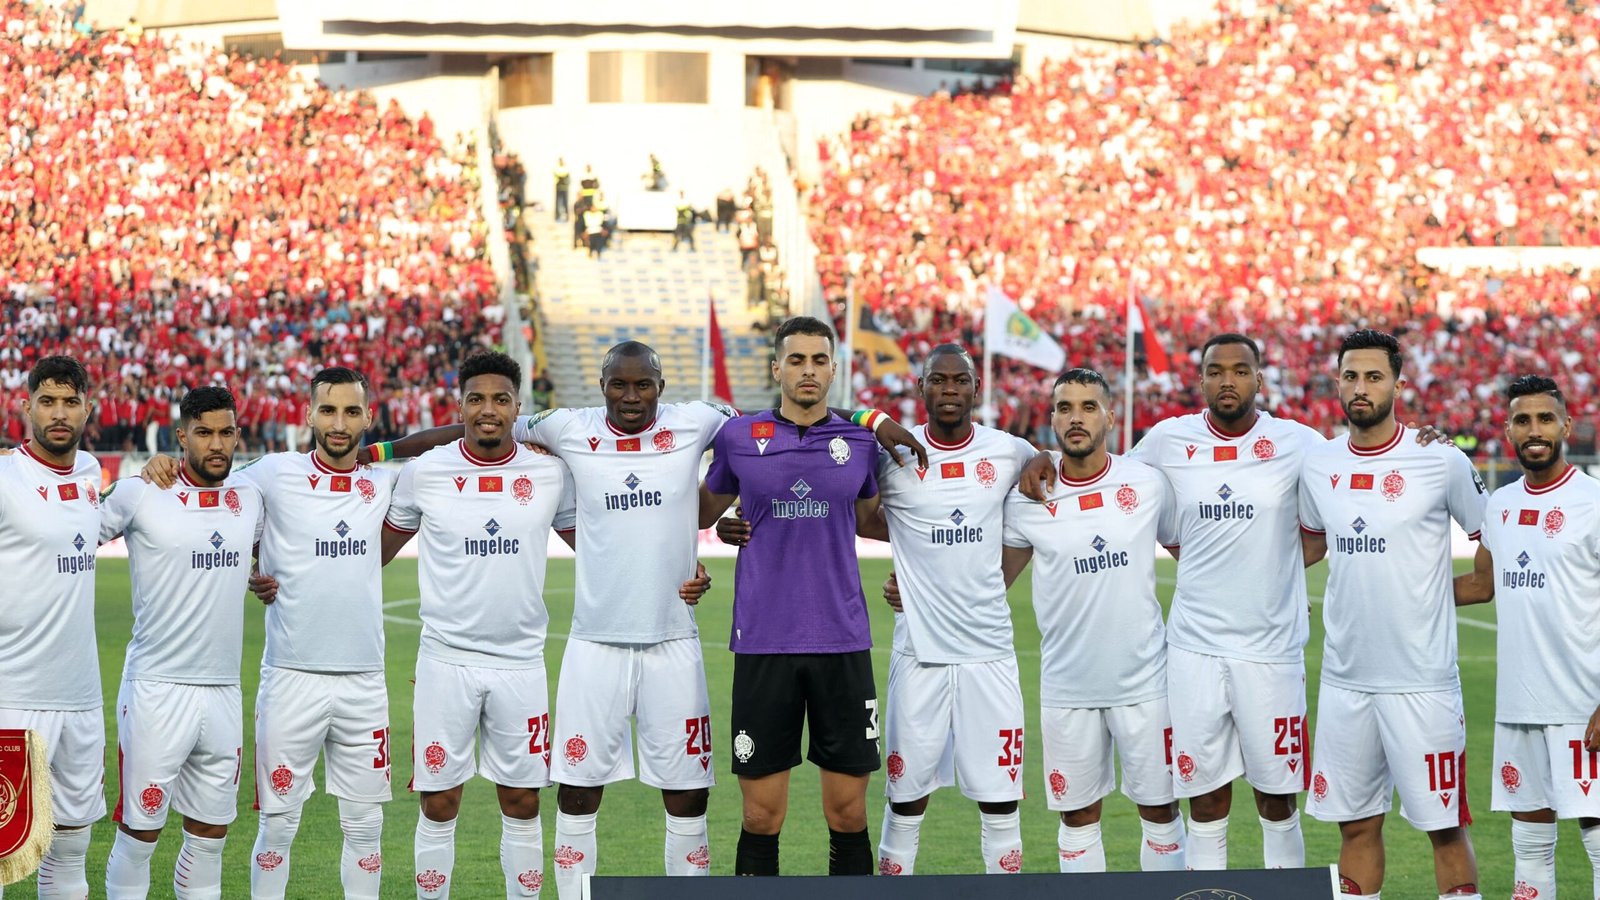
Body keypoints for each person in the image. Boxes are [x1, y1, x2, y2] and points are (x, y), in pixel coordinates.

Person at [372, 339, 924, 892]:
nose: (630, 396)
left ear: (661, 387)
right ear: (603, 386)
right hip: (594, 645)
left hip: (673, 642)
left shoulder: (700, 421)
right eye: (618, 384)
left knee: (687, 795)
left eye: (642, 385)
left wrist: (869, 417)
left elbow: (790, 413)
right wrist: (381, 452)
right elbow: (472, 430)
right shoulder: (566, 427)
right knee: (577, 792)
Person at [146, 367, 395, 899]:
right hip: (290, 678)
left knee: (366, 828)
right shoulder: (270, 474)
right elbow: (211, 493)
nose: (338, 423)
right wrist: (161, 464)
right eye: (328, 410)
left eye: (352, 411)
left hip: (365, 682)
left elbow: (440, 448)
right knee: (278, 826)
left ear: (368, 418)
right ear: (308, 414)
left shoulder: (387, 479)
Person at [1115, 333, 1323, 869]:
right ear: (1200, 378)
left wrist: (1270, 565)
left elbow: (1339, 503)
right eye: (1214, 370)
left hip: (1271, 651)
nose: (1226, 380)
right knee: (1204, 797)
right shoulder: (1166, 440)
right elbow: (1121, 489)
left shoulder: (1299, 441)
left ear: (1259, 378)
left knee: (1277, 797)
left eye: (1239, 369)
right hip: (1194, 649)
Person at [380, 351, 578, 899]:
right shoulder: (426, 472)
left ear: (518, 406)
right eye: (476, 399)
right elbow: (372, 553)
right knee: (439, 800)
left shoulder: (549, 471)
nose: (487, 410)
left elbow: (598, 546)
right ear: (459, 405)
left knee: (521, 801)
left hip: (521, 663)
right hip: (446, 661)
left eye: (499, 399)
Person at [1299, 329, 1486, 900]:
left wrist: (1432, 591)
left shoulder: (1440, 459)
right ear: (1337, 382)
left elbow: (1492, 547)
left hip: (1422, 682)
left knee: (1445, 828)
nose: (1361, 387)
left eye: (1374, 376)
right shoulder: (1319, 463)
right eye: (1351, 376)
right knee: (1355, 825)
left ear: (1399, 385)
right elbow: (1307, 549)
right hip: (1345, 681)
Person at [699, 316, 886, 876]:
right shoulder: (738, 437)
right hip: (763, 643)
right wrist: (723, 528)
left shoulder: (860, 442)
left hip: (843, 640)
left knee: (849, 813)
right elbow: (699, 513)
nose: (808, 370)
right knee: (761, 816)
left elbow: (873, 520)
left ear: (833, 368)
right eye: (797, 360)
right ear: (777, 367)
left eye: (819, 360)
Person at [851, 345, 1037, 875]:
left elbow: (1050, 476)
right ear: (921, 389)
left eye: (960, 381)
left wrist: (1045, 458)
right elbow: (867, 521)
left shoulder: (1007, 451)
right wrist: (872, 418)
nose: (950, 390)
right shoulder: (893, 456)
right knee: (905, 798)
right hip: (919, 655)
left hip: (989, 654)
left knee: (1001, 800)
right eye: (939, 380)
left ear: (976, 388)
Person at [1000, 367, 1187, 873]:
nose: (1075, 418)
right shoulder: (1027, 497)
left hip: (1145, 680)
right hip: (1067, 685)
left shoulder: (1146, 484)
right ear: (1052, 419)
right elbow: (992, 581)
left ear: (1109, 415)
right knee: (1078, 817)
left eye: (1087, 407)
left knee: (1160, 810)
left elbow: (1193, 559)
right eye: (1064, 407)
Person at [100, 386, 264, 900]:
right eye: (203, 433)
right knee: (141, 832)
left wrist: (265, 575)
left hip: (222, 692)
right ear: (181, 436)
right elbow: (71, 538)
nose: (216, 444)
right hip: (156, 689)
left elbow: (271, 553)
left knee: (211, 835)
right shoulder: (140, 493)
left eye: (225, 433)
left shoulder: (251, 497)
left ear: (238, 435)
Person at [1455, 374, 1600, 899]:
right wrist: (1393, 595)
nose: (1533, 430)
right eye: (1522, 420)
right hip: (1518, 705)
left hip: (1583, 708)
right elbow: (1479, 584)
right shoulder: (1501, 504)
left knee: (1599, 845)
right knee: (1530, 848)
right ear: (1509, 430)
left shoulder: (1593, 502)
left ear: (1565, 425)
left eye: (1544, 418)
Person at [0, 356, 105, 899]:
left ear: (87, 407)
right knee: (0, 856)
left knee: (69, 848)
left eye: (70, 401)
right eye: (48, 401)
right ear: (26, 406)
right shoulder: (5, 477)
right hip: (15, 696)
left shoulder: (90, 474)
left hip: (82, 697)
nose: (59, 413)